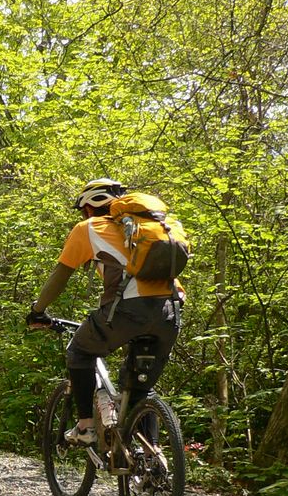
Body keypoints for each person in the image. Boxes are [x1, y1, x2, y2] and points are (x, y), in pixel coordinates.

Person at [26, 178, 183, 447]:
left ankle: (85, 427)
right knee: (139, 388)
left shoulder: (89, 227)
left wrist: (37, 310)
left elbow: (60, 276)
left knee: (79, 351)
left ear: (88, 208)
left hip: (127, 311)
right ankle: (152, 456)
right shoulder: (152, 229)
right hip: (171, 311)